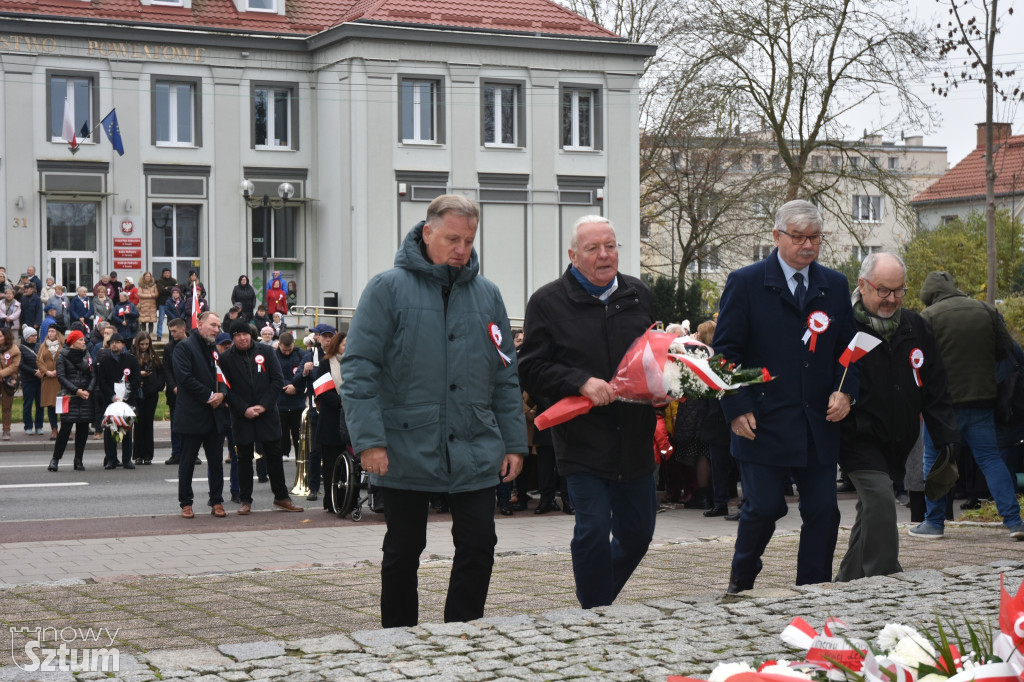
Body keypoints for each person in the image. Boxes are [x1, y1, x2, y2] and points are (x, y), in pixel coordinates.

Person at [340, 194, 526, 626]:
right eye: (452, 238)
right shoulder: (387, 289)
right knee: (403, 550)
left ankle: (462, 632)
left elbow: (504, 373)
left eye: (469, 239)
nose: (462, 249)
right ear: (427, 233)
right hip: (405, 443)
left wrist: (515, 441)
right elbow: (360, 366)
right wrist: (369, 441)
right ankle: (399, 638)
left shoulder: (489, 295)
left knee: (479, 544)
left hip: (476, 443)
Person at [712, 200, 858, 593]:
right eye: (798, 237)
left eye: (815, 238)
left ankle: (813, 587)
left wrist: (846, 392)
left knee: (824, 511)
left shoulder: (835, 284)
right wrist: (736, 407)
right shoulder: (745, 282)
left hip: (817, 423)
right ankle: (741, 579)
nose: (807, 245)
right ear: (777, 237)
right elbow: (725, 354)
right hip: (762, 420)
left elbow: (850, 352)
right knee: (762, 508)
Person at [518, 215, 657, 609]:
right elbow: (530, 368)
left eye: (610, 246)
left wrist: (664, 383)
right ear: (573, 255)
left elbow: (652, 355)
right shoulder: (547, 301)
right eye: (593, 248)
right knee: (593, 530)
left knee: (638, 535)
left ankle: (597, 599)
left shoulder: (638, 294)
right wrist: (580, 381)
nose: (604, 255)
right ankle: (595, 614)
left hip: (634, 437)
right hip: (582, 440)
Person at [835, 254, 959, 580]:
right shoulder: (843, 325)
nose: (892, 299)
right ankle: (885, 577)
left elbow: (935, 386)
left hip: (899, 438)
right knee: (879, 496)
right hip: (856, 435)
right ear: (863, 286)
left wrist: (946, 438)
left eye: (899, 290)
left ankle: (845, 583)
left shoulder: (915, 326)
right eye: (883, 290)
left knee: (873, 509)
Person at [910, 271, 1024, 540]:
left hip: (942, 406)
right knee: (990, 459)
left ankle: (934, 523)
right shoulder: (986, 310)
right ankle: (1015, 522)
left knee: (935, 460)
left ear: (931, 296)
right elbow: (1008, 352)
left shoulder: (928, 317)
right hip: (982, 402)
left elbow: (916, 362)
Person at [219, 319, 303, 514]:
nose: (242, 338)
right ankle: (245, 500)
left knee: (274, 456)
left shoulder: (266, 352)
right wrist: (244, 409)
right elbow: (225, 388)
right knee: (244, 458)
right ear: (233, 338)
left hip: (267, 414)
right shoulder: (226, 358)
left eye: (245, 334)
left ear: (251, 335)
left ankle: (281, 497)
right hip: (242, 416)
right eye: (238, 335)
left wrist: (263, 406)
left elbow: (277, 380)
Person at [174, 311, 228, 518]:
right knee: (187, 462)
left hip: (214, 416)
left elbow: (222, 377)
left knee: (216, 461)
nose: (216, 330)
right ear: (200, 323)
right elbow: (184, 378)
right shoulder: (184, 347)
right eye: (213, 325)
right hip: (192, 415)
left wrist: (222, 394)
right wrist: (209, 395)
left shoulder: (214, 349)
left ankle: (216, 501)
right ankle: (186, 503)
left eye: (218, 326)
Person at [93, 332, 140, 470]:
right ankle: (111, 459)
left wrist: (127, 397)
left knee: (127, 430)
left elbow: (136, 380)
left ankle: (127, 459)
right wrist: (112, 396)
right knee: (110, 431)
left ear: (123, 345)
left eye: (117, 342)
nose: (114, 344)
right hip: (111, 402)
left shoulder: (131, 360)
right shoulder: (105, 361)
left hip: (127, 401)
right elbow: (102, 382)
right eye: (112, 342)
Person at [47, 330, 92, 471]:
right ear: (73, 342)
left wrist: (88, 390)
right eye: (80, 340)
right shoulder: (62, 356)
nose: (83, 342)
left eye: (83, 340)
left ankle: (78, 460)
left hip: (85, 397)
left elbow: (93, 375)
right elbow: (61, 377)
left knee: (83, 429)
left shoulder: (87, 355)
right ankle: (55, 459)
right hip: (69, 396)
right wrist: (76, 390)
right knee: (65, 429)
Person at [313, 331, 349, 511]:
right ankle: (332, 501)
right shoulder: (326, 363)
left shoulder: (355, 364)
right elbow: (321, 390)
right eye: (344, 345)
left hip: (350, 422)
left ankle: (347, 501)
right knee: (330, 465)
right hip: (331, 421)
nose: (347, 347)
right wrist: (342, 402)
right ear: (337, 346)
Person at [301, 324, 333, 501]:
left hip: (334, 408)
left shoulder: (338, 356)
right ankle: (313, 488)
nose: (328, 340)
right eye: (325, 336)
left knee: (336, 449)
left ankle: (335, 486)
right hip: (317, 408)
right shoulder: (309, 355)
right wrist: (305, 372)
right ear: (318, 338)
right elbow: (298, 380)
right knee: (316, 450)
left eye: (331, 337)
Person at [132, 331, 164, 465]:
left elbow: (161, 373)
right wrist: (139, 374)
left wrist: (158, 386)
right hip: (138, 393)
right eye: (142, 344)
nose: (144, 346)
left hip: (151, 393)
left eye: (146, 344)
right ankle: (138, 454)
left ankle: (148, 455)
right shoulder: (132, 356)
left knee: (148, 424)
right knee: (139, 423)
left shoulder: (154, 356)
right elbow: (128, 372)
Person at [274, 332, 306, 462]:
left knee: (299, 439)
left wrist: (296, 387)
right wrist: (289, 385)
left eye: (290, 349)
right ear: (279, 345)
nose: (287, 353)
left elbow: (305, 374)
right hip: (280, 404)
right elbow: (274, 377)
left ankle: (301, 467)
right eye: (284, 350)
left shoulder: (301, 354)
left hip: (297, 404)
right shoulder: (273, 355)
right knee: (280, 438)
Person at [162, 318, 189, 466]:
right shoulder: (169, 348)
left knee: (191, 423)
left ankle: (191, 453)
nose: (172, 334)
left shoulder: (194, 343)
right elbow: (166, 369)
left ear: (183, 329)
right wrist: (173, 387)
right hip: (175, 393)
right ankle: (176, 453)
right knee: (176, 424)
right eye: (170, 331)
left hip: (191, 392)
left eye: (174, 331)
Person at [38, 325, 62, 440]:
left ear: (57, 333)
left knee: (62, 405)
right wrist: (46, 371)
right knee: (51, 406)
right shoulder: (43, 346)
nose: (50, 333)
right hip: (48, 380)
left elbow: (66, 359)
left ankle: (66, 430)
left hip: (60, 380)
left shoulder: (63, 346)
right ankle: (54, 429)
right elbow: (39, 360)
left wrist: (59, 370)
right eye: (49, 331)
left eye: (52, 331)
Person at [19, 326, 44, 435]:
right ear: (27, 337)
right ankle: (28, 426)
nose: (36, 337)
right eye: (33, 336)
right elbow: (21, 364)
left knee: (40, 404)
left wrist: (42, 370)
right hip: (28, 380)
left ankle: (39, 426)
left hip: (40, 380)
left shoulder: (39, 346)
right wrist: (34, 372)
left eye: (36, 335)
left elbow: (43, 360)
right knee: (28, 404)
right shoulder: (21, 348)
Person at [0, 327, 21, 440]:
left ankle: (6, 430)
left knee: (6, 407)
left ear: (6, 337)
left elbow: (14, 366)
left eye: (0, 336)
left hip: (8, 382)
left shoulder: (15, 350)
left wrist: (1, 374)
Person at [154, 268, 177, 341]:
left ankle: (173, 335)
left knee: (173, 320)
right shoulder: (160, 281)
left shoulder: (173, 280)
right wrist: (171, 289)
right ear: (163, 274)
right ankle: (159, 336)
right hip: (162, 303)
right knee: (160, 320)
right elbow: (161, 290)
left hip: (172, 303)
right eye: (165, 273)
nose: (167, 274)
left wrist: (167, 288)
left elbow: (176, 289)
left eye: (168, 273)